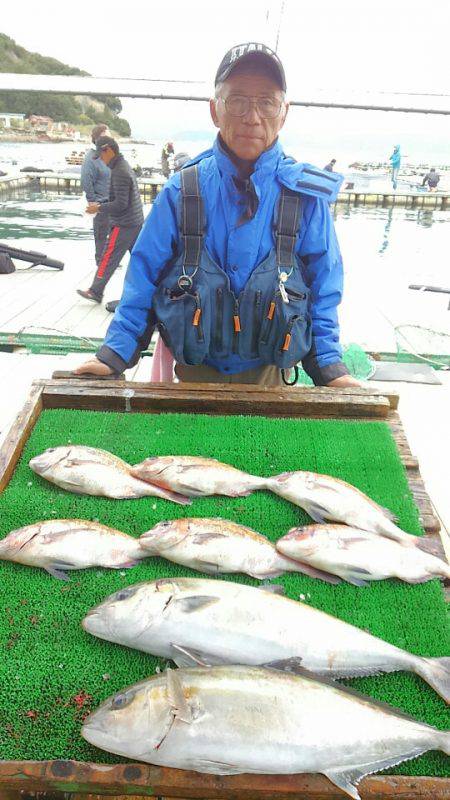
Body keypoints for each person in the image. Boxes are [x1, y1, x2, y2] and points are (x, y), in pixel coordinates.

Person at [76, 42, 359, 388]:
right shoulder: (181, 190)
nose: (252, 117)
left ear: (283, 112)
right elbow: (144, 276)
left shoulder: (305, 197)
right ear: (214, 110)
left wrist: (330, 367)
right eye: (237, 100)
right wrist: (113, 356)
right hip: (194, 371)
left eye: (266, 102)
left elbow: (325, 286)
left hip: (272, 375)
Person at [77, 136, 144, 304]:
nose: (100, 160)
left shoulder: (119, 171)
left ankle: (95, 291)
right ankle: (149, 293)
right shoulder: (123, 166)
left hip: (124, 224)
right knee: (140, 261)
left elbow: (121, 204)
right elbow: (121, 199)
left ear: (109, 150)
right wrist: (101, 204)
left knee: (108, 257)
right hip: (135, 222)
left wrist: (98, 208)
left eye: (101, 155)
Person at [80, 124, 111, 267]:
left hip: (113, 203)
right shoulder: (91, 158)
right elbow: (86, 180)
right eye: (107, 136)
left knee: (114, 235)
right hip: (99, 203)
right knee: (101, 235)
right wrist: (91, 200)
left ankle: (109, 260)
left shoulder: (108, 155)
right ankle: (101, 262)